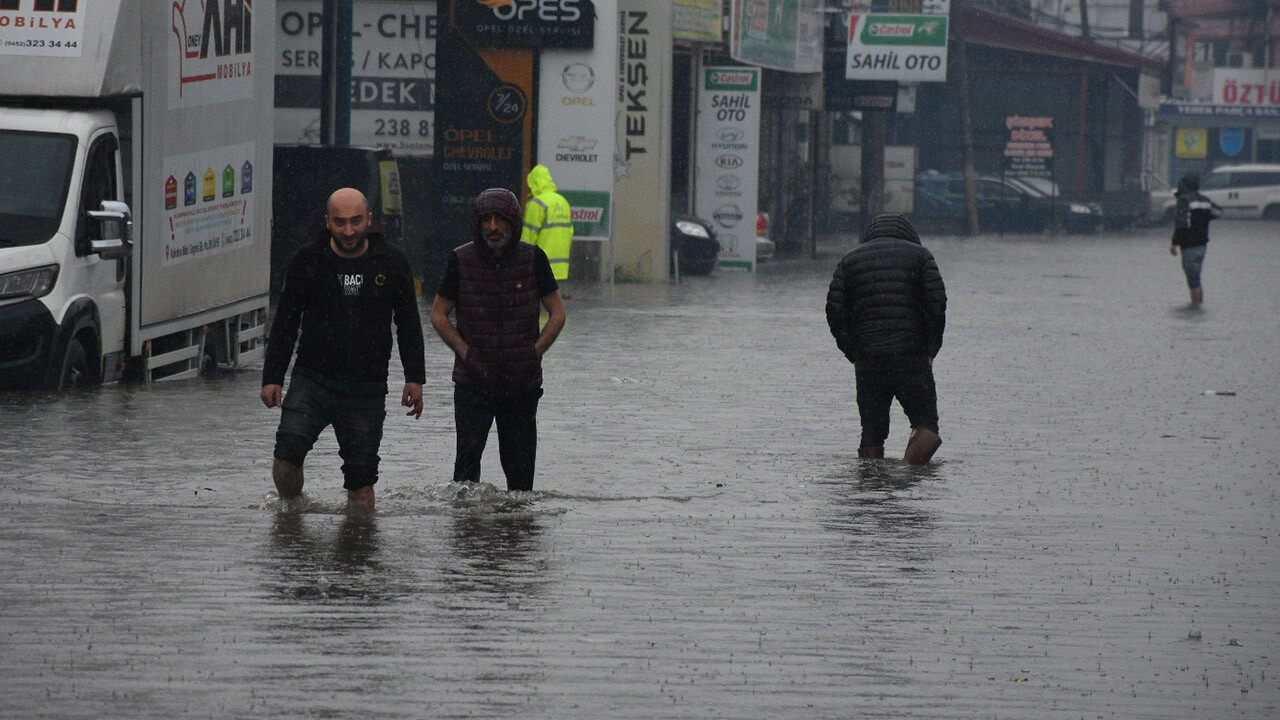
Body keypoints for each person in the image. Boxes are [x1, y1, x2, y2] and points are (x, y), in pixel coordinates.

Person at [260, 188, 425, 511]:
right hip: (312, 379)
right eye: (340, 223)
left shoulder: (392, 261)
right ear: (327, 222)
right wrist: (272, 378)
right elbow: (285, 324)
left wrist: (415, 378)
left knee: (361, 479)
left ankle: (358, 552)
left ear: (370, 220)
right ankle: (291, 517)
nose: (348, 231)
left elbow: (408, 324)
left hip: (367, 387)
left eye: (355, 221)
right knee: (285, 457)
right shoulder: (307, 260)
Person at [430, 188, 567, 491]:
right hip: (473, 383)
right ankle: (467, 535)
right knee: (465, 477)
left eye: (501, 220)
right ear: (477, 223)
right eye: (487, 220)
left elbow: (557, 313)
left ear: (514, 223)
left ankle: (518, 536)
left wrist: (534, 354)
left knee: (520, 483)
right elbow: (439, 314)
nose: (493, 227)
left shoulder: (533, 259)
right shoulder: (461, 259)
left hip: (522, 384)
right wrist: (467, 354)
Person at [825, 214, 947, 465]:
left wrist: (854, 353)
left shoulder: (850, 260)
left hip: (868, 360)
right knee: (926, 424)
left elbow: (834, 312)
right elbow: (937, 305)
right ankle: (911, 484)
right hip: (911, 356)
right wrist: (930, 350)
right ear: (908, 234)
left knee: (872, 433)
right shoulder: (921, 256)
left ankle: (872, 491)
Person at [1168, 171, 1221, 306]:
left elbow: (1182, 224)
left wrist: (1174, 243)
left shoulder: (1184, 200)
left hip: (1189, 246)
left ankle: (1196, 307)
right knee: (1196, 277)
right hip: (1202, 246)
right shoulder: (1204, 200)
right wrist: (1203, 217)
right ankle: (1197, 307)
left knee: (1193, 280)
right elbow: (1218, 212)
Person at [521, 164, 574, 282]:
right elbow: (570, 233)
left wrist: (522, 261)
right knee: (554, 299)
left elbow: (529, 235)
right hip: (560, 266)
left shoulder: (537, 203)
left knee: (535, 299)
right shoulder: (562, 201)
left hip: (540, 265)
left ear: (533, 183)